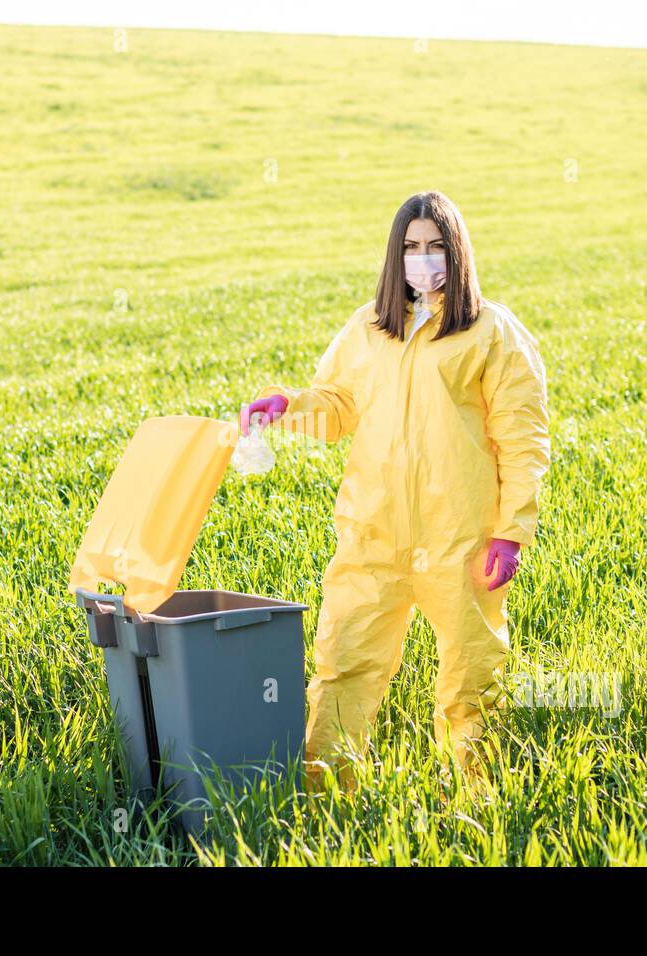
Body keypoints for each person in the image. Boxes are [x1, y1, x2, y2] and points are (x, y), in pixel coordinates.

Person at [240, 190, 550, 785]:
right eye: (411, 247)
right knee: (343, 664)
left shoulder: (491, 331)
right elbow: (338, 406)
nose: (424, 258)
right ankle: (328, 793)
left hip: (461, 539)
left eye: (436, 246)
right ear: (395, 254)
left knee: (471, 674)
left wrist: (510, 534)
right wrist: (288, 405)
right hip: (372, 533)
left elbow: (522, 438)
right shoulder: (369, 327)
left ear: (456, 252)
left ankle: (473, 798)